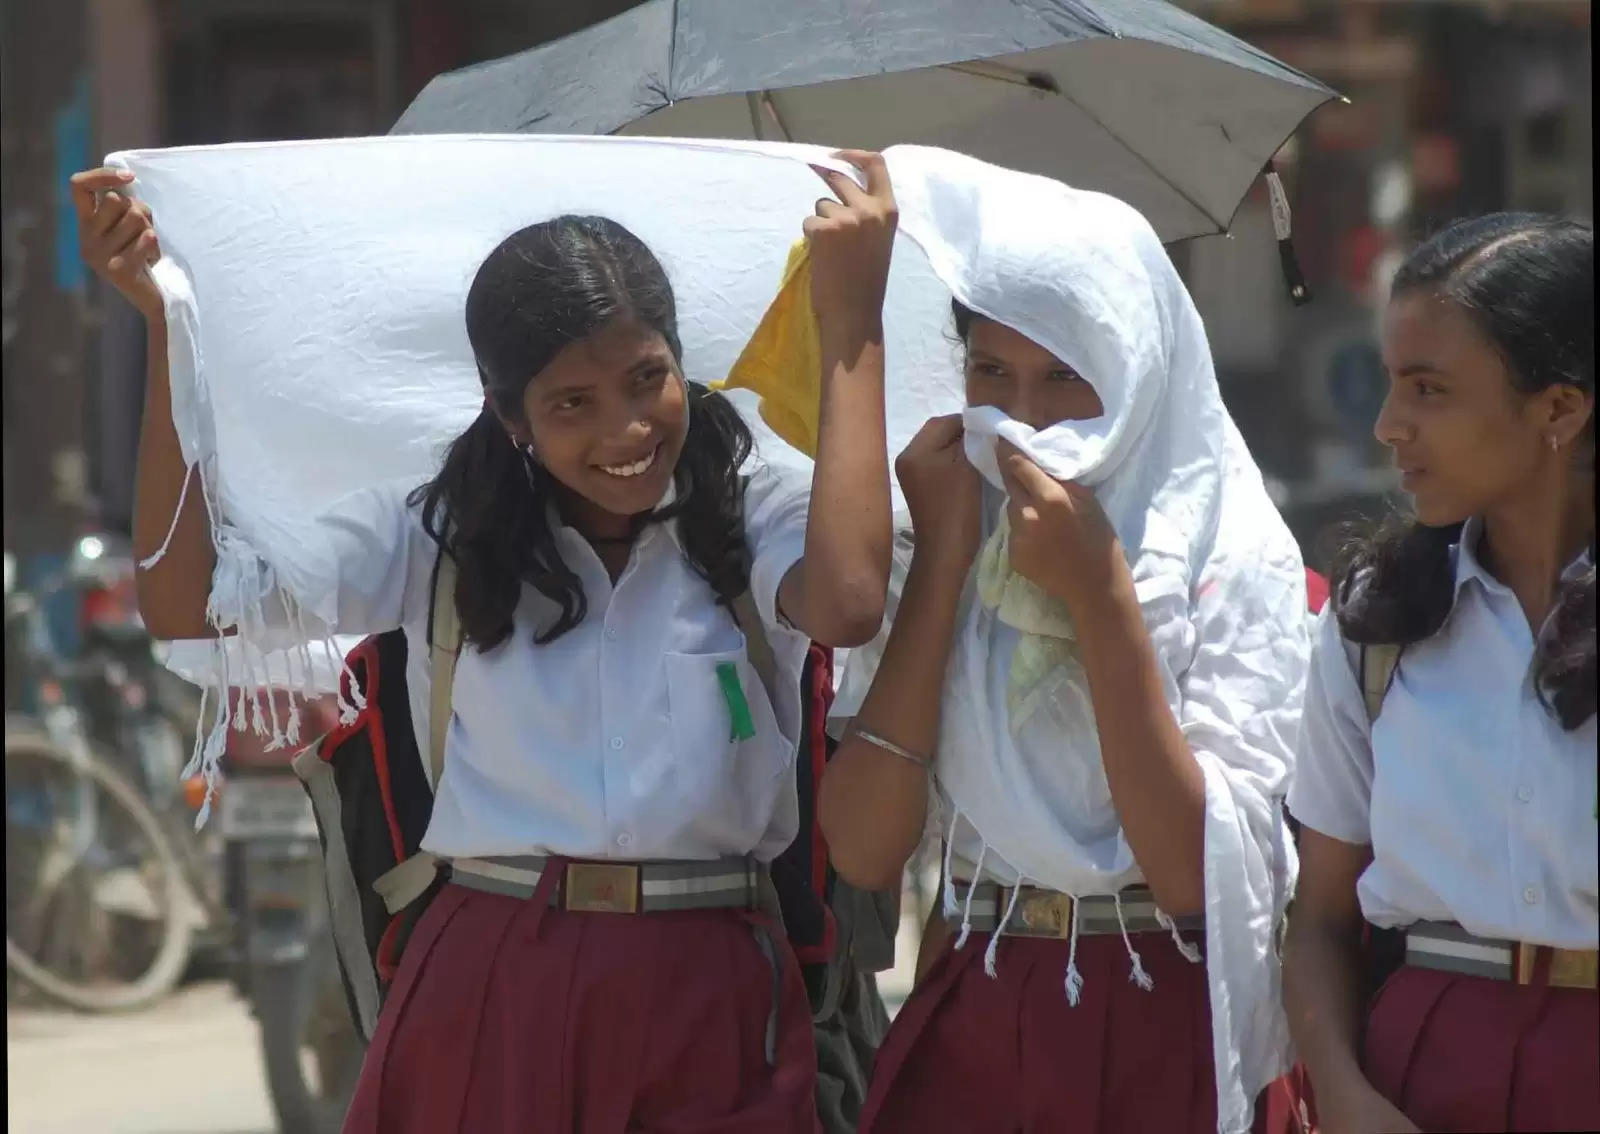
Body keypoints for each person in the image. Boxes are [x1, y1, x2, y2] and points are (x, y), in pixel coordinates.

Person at [71, 153, 899, 1133]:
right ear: (510, 418)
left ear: (684, 366)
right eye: (570, 404)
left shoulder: (756, 504)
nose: (626, 429)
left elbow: (846, 604)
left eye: (648, 380)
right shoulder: (437, 536)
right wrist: (169, 322)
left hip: (713, 982)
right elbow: (190, 603)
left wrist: (851, 323)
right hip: (494, 975)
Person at [817, 172, 1309, 1134]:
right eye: (991, 374)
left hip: (1168, 1025)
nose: (1026, 420)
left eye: (1066, 378)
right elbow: (867, 847)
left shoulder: (1228, 556)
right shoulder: (961, 527)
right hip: (975, 1010)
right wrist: (947, 563)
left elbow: (1191, 879)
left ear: (1137, 373)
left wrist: (1100, 596)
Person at [1284, 214, 1597, 1133]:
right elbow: (1322, 920)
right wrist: (1342, 1095)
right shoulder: (1375, 624)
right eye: (1391, 385)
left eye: (1430, 390)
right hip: (1420, 1074)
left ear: (1558, 409)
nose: (1389, 427)